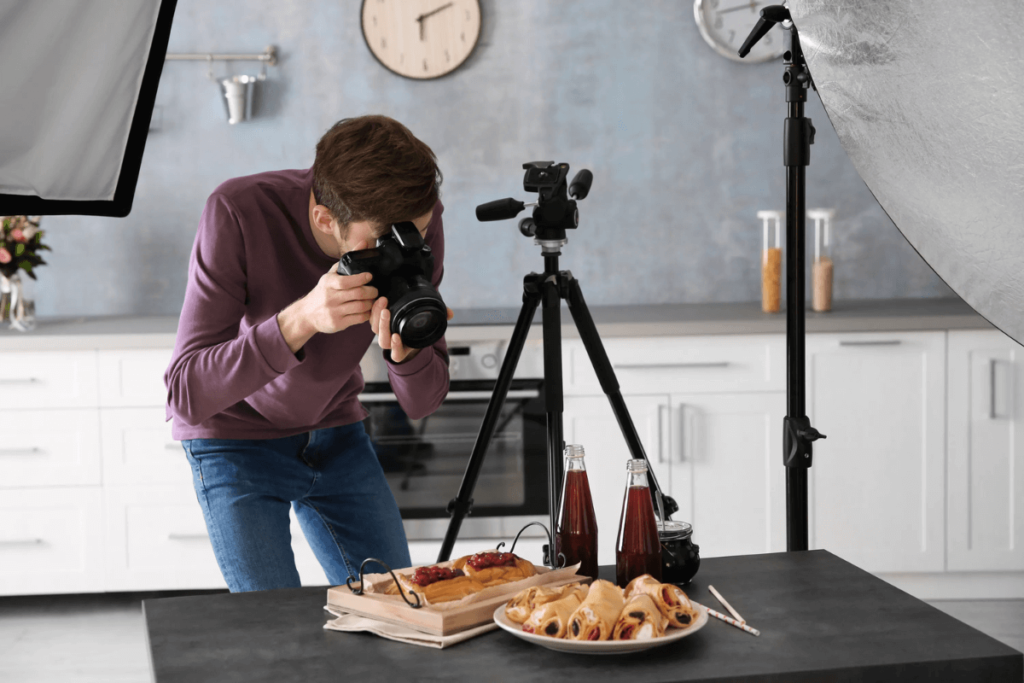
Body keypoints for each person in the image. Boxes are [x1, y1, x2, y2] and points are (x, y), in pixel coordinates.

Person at [164, 115, 451, 592]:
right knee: (273, 627)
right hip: (234, 437)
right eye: (380, 242)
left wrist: (405, 354)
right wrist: (299, 321)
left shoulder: (416, 221)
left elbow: (422, 403)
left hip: (335, 430)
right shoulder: (238, 211)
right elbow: (185, 393)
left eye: (418, 233)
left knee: (396, 609)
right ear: (324, 218)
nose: (407, 246)